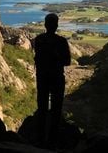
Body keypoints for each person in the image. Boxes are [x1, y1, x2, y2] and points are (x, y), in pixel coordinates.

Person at [33, 13, 71, 146]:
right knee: (56, 109)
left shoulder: (38, 40)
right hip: (56, 78)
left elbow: (38, 58)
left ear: (45, 25)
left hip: (42, 77)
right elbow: (67, 62)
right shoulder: (61, 41)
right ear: (56, 25)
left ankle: (40, 139)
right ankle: (52, 140)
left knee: (42, 107)